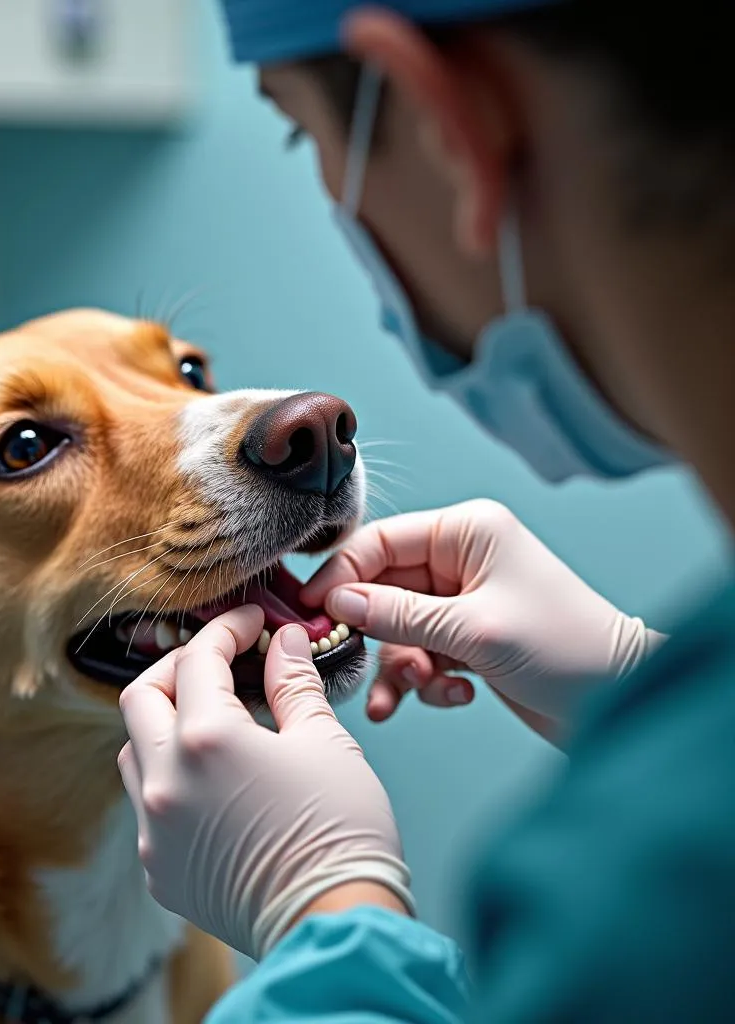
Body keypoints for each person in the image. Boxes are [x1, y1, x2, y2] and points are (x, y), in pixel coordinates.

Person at [115, 1, 735, 1019]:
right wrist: (630, 677)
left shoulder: (647, 910)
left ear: (446, 126)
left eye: (297, 128)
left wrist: (322, 907)